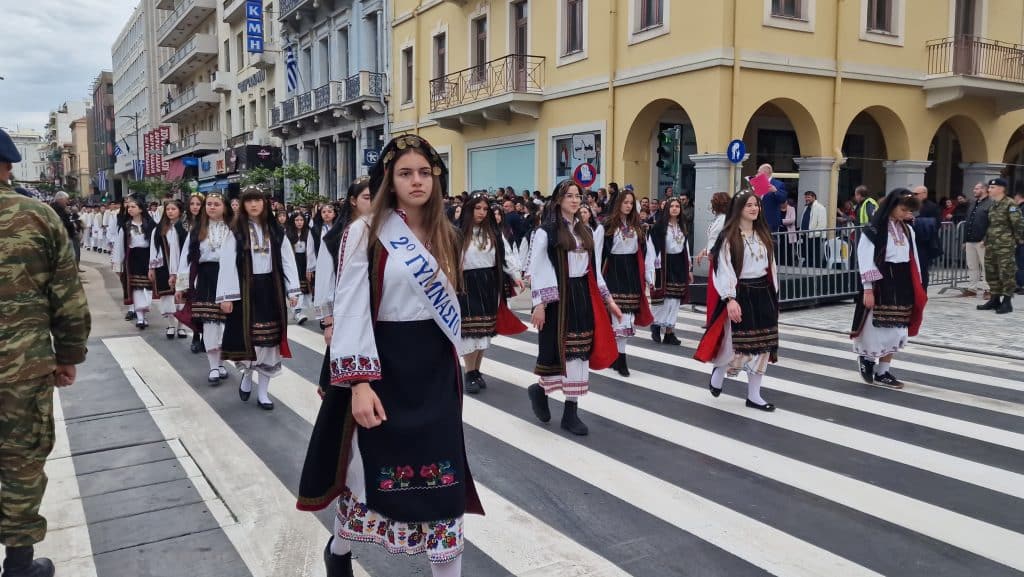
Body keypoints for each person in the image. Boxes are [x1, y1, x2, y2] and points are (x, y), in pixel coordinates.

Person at [297, 135, 483, 577]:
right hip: (384, 366)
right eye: (405, 173)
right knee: (370, 473)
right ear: (390, 180)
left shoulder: (447, 233)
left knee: (445, 479)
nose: (416, 181)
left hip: (436, 370)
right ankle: (340, 549)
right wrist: (359, 383)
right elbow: (352, 307)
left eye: (424, 172)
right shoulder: (364, 232)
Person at [0, 127, 91, 577]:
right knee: (20, 460)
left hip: (24, 364)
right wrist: (69, 354)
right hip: (23, 367)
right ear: (9, 166)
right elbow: (68, 296)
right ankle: (18, 565)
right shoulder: (37, 216)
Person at [527, 180, 621, 435]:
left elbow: (595, 270)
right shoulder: (546, 232)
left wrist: (609, 300)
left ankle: (571, 411)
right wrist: (540, 304)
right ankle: (541, 390)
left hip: (581, 294)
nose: (575, 199)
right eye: (569, 195)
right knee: (558, 350)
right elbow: (538, 269)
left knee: (580, 352)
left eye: (578, 195)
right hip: (558, 297)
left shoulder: (586, 231)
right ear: (558, 200)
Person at [217, 186, 301, 410]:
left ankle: (263, 392)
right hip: (245, 291)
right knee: (250, 339)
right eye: (249, 201)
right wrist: (226, 296)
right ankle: (247, 375)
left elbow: (288, 260)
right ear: (243, 205)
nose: (254, 205)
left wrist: (293, 290)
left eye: (258, 200)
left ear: (265, 203)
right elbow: (227, 264)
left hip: (270, 289)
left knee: (270, 341)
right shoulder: (236, 231)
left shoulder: (275, 230)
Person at [695, 191, 779, 412]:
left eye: (756, 205)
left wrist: (774, 292)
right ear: (738, 208)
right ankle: (720, 370)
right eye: (749, 205)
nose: (754, 209)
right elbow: (723, 269)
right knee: (738, 346)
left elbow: (771, 267)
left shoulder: (763, 233)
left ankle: (754, 395)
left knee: (763, 346)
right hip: (741, 292)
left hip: (763, 292)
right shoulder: (729, 237)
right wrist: (730, 298)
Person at [851, 189, 927, 388]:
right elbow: (865, 257)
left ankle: (883, 371)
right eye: (903, 209)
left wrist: (918, 284)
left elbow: (914, 258)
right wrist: (868, 289)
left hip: (902, 281)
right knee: (875, 326)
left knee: (898, 329)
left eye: (908, 210)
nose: (906, 214)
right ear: (891, 206)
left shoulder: (908, 230)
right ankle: (867, 359)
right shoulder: (874, 229)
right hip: (881, 280)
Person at [457, 195, 526, 394]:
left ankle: (477, 371)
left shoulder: (493, 232)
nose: (481, 212)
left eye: (485, 209)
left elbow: (504, 257)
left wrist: (515, 276)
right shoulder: (458, 233)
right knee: (471, 331)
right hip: (466, 284)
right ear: (469, 210)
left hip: (489, 283)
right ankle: (469, 373)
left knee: (485, 331)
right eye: (477, 208)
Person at [176, 192, 234, 384]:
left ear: (224, 206)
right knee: (210, 323)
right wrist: (181, 286)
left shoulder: (234, 229)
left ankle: (222, 362)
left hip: (229, 276)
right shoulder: (197, 229)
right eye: (208, 204)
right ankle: (213, 367)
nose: (212, 207)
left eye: (216, 204)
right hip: (206, 277)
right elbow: (186, 258)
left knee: (227, 323)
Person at [601, 189, 655, 376]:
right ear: (618, 204)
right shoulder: (607, 225)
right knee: (617, 316)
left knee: (628, 317)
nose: (628, 205)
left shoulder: (637, 226)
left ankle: (619, 357)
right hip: (614, 271)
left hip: (631, 272)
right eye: (625, 202)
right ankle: (619, 358)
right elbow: (599, 254)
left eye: (631, 203)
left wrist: (648, 276)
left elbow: (645, 253)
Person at [649, 197, 693, 346]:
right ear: (667, 208)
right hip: (663, 263)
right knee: (663, 297)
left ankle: (669, 332)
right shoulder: (659, 227)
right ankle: (656, 325)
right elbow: (651, 248)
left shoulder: (683, 226)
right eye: (672, 206)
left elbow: (686, 248)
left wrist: (689, 268)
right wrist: (653, 268)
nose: (675, 208)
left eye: (677, 206)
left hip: (679, 264)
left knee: (675, 299)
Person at [977, 178, 1024, 313]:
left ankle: (1007, 302)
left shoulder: (1011, 204)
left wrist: (1019, 240)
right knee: (992, 272)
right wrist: (985, 239)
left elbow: (1018, 224)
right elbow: (992, 225)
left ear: (1001, 189)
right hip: (992, 245)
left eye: (992, 188)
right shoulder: (994, 205)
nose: (989, 190)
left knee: (1006, 272)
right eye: (989, 188)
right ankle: (994, 299)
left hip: (1005, 245)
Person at [111, 197, 157, 329]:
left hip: (147, 257)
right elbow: (120, 245)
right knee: (136, 288)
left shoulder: (151, 225)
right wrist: (117, 263)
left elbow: (156, 244)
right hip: (132, 258)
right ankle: (141, 318)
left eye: (133, 207)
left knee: (147, 288)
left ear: (141, 209)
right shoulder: (125, 226)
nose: (130, 209)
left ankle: (144, 313)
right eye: (128, 207)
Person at [150, 199, 188, 339]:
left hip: (182, 265)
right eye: (168, 209)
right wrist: (151, 267)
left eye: (173, 209)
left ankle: (181, 326)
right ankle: (171, 324)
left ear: (180, 210)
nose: (170, 212)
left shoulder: (185, 227)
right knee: (167, 296)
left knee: (182, 296)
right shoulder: (159, 228)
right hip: (163, 266)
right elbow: (153, 249)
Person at [183, 192, 206, 353]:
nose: (195, 207)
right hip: (192, 267)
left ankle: (207, 337)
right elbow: (183, 252)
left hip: (206, 266)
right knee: (194, 302)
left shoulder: (209, 222)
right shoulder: (183, 223)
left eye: (198, 204)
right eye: (192, 204)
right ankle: (196, 334)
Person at [962, 182, 992, 298]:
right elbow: (968, 222)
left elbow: (992, 224)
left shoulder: (991, 204)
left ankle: (987, 289)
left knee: (986, 266)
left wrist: (986, 239)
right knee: (972, 265)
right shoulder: (973, 203)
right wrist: (965, 240)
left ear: (984, 190)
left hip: (982, 241)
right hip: (970, 240)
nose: (974, 190)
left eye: (977, 188)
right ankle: (972, 288)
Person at [911, 185, 941, 289]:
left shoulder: (932, 206)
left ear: (924, 194)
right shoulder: (911, 205)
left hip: (924, 243)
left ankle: (923, 290)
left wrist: (917, 221)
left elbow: (937, 223)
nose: (913, 196)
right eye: (912, 194)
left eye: (916, 194)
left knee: (923, 269)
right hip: (911, 241)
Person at [286, 212, 312, 325]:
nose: (299, 222)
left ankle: (299, 311)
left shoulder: (308, 233)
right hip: (293, 262)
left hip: (305, 262)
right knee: (295, 287)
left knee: (305, 288)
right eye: (297, 220)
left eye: (301, 220)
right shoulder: (287, 234)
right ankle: (297, 312)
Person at [755, 163, 789, 234]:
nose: (756, 174)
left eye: (758, 172)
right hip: (757, 219)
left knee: (771, 242)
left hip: (771, 220)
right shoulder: (758, 182)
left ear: (765, 173)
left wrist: (775, 191)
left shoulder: (778, 184)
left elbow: (783, 199)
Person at [800, 191, 827, 268]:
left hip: (815, 237)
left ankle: (816, 272)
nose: (806, 199)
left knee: (815, 255)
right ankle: (807, 271)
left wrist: (814, 234)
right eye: (805, 197)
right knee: (807, 255)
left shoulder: (820, 208)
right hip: (806, 235)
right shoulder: (806, 207)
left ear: (814, 198)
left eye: (808, 197)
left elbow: (822, 224)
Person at [779, 197, 797, 266]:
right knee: (780, 249)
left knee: (789, 250)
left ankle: (789, 265)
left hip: (788, 232)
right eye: (781, 203)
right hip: (780, 232)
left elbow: (792, 220)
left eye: (784, 202)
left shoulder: (791, 209)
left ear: (787, 202)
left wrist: (781, 221)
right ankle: (781, 264)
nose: (783, 204)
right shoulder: (777, 209)